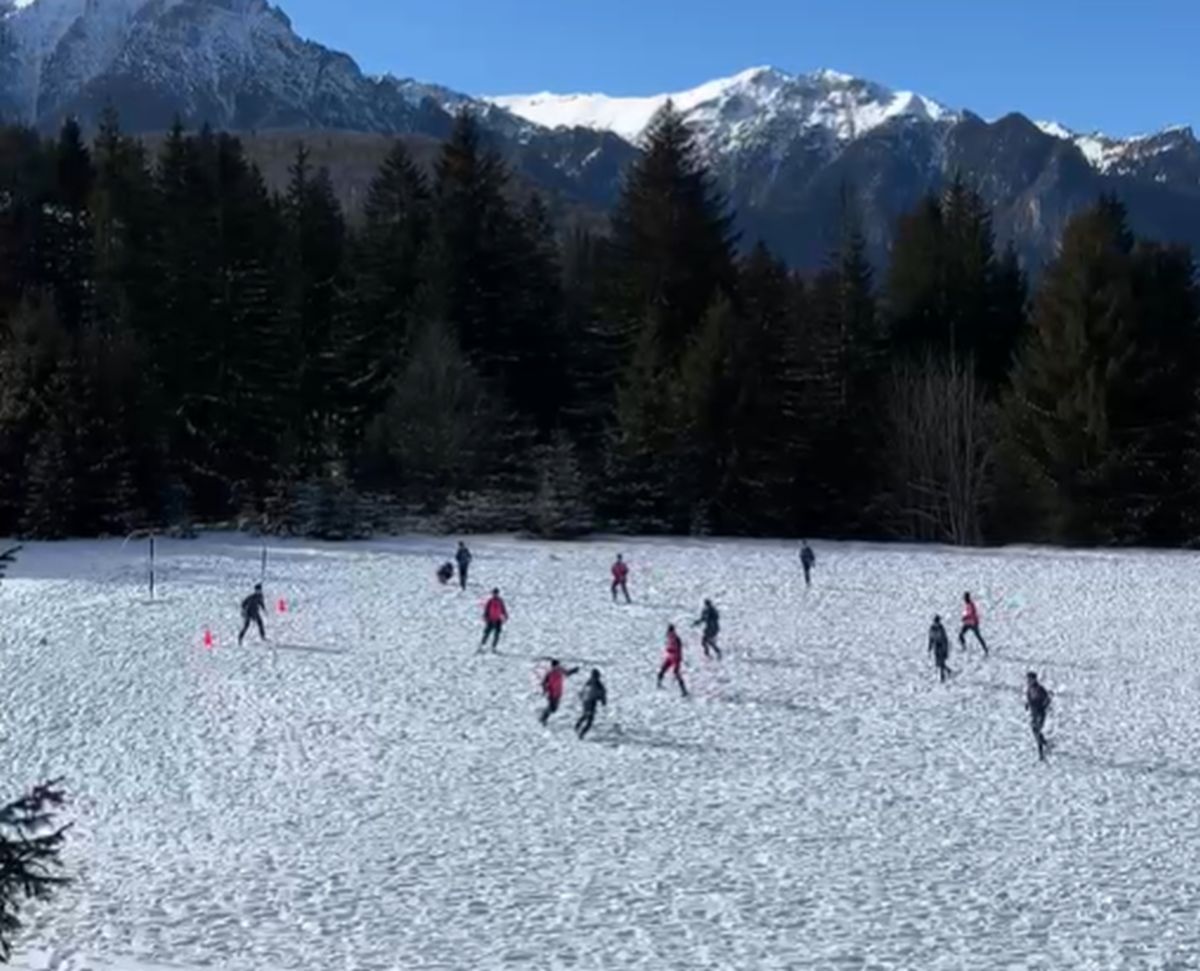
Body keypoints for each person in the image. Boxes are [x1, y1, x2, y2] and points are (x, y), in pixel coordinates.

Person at [539, 659, 580, 726]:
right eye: (556, 666)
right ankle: (543, 718)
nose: (557, 668)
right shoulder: (549, 673)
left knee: (554, 709)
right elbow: (544, 683)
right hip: (551, 693)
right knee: (552, 707)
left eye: (558, 666)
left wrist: (574, 670)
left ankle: (543, 717)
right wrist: (545, 690)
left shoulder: (560, 671)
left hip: (558, 693)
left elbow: (567, 673)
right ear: (553, 666)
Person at [1025, 671, 1052, 761]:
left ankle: (1041, 753)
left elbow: (1047, 699)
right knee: (1034, 730)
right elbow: (1028, 698)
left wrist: (1044, 706)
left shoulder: (1040, 689)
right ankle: (1044, 742)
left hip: (1040, 712)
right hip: (1034, 713)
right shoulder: (1029, 689)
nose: (1028, 681)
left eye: (1030, 679)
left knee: (1037, 730)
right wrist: (1027, 705)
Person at [657, 624, 688, 697]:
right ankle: (659, 684)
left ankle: (684, 690)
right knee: (663, 669)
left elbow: (678, 649)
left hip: (676, 658)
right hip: (670, 657)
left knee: (676, 673)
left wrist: (670, 651)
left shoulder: (676, 639)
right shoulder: (669, 637)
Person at [576, 669, 608, 739]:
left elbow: (582, 691)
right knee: (589, 720)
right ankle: (581, 733)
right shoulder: (598, 684)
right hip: (591, 703)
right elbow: (602, 694)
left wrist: (581, 697)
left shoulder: (588, 682)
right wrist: (603, 702)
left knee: (585, 715)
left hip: (585, 702)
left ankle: (577, 726)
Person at [928, 615, 952, 682]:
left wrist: (946, 650)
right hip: (936, 646)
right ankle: (948, 670)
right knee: (938, 663)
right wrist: (930, 647)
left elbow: (945, 639)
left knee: (941, 662)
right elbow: (930, 638)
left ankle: (942, 677)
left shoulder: (941, 628)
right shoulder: (932, 628)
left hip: (942, 646)